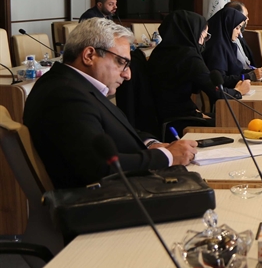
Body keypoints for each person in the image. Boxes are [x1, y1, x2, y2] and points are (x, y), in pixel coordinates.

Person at [24, 18, 197, 189]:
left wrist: (151, 144)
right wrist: (167, 156)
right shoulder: (64, 95)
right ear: (89, 55)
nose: (127, 75)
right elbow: (98, 167)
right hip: (104, 199)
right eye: (121, 62)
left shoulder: (75, 85)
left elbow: (115, 129)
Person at [147, 11, 245, 133]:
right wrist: (238, 91)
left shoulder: (158, 52)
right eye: (204, 37)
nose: (203, 42)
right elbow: (216, 92)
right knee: (236, 122)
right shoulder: (189, 57)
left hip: (163, 119)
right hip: (179, 123)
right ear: (193, 33)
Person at [202, 8, 259, 88]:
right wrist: (250, 76)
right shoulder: (217, 47)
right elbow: (222, 80)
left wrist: (259, 72)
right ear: (228, 25)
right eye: (237, 28)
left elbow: (236, 72)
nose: (239, 33)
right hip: (227, 93)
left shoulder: (228, 44)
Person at [225, 1, 257, 71]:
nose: (247, 19)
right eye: (246, 16)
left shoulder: (239, 36)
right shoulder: (231, 37)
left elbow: (247, 63)